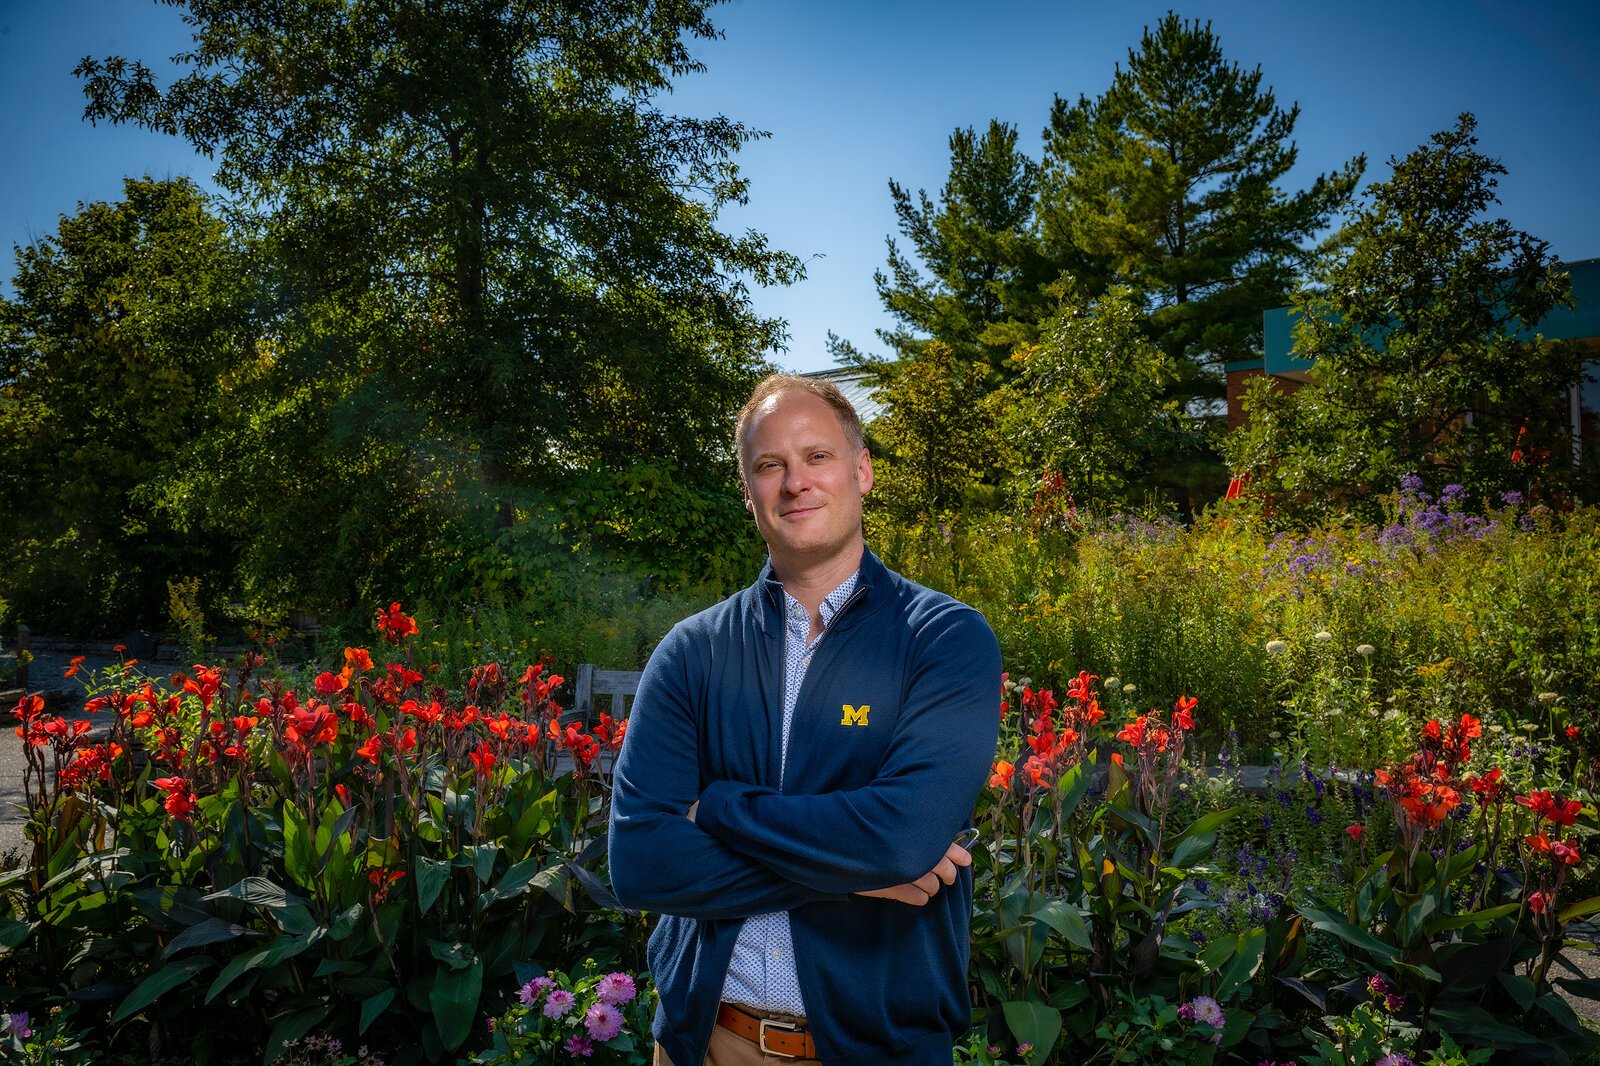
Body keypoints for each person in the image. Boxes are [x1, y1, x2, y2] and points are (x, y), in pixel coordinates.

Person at [609, 374, 1002, 1066]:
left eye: (817, 456)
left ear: (862, 470)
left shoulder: (942, 639)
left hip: (881, 1051)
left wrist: (719, 808)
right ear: (749, 492)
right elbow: (642, 863)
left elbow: (903, 837)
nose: (796, 482)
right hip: (708, 1044)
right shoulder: (693, 652)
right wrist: (856, 871)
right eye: (770, 465)